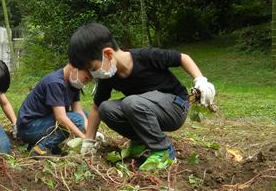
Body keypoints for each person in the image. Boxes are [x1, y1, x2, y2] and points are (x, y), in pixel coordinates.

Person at [68, 23, 216, 169]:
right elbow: (96, 107)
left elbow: (182, 58)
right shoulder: (109, 76)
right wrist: (88, 141)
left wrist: (200, 81)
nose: (93, 74)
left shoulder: (145, 56)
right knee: (106, 109)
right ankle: (140, 142)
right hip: (144, 108)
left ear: (107, 54)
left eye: (93, 68)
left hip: (175, 106)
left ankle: (163, 151)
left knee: (131, 102)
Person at [16, 62, 91, 156]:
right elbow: (61, 118)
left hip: (43, 122)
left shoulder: (73, 84)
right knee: (77, 120)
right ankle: (41, 149)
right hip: (29, 127)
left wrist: (90, 137)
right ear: (74, 66)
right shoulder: (55, 82)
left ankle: (41, 144)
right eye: (86, 78)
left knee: (83, 115)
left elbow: (78, 110)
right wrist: (83, 138)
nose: (86, 82)